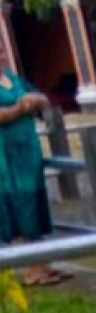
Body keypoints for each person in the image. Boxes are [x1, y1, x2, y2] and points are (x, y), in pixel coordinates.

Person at [0, 67, 68, 286]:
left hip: (27, 148)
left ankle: (43, 264)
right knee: (19, 203)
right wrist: (21, 107)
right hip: (6, 154)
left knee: (34, 200)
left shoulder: (13, 78)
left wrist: (36, 100)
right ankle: (32, 268)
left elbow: (42, 98)